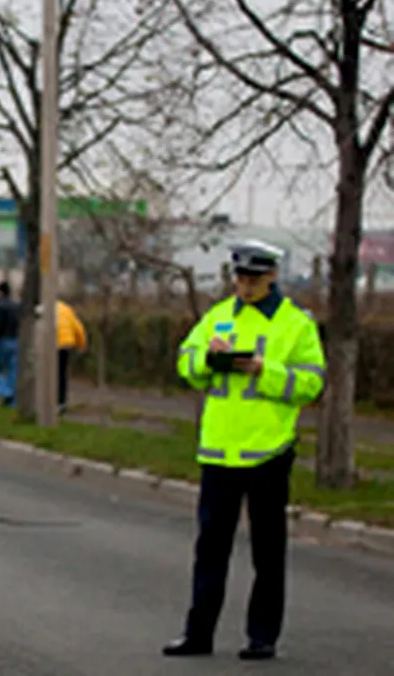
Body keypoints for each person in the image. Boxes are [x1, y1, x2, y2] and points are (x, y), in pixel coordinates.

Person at [162, 240, 325, 662]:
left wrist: (262, 370)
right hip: (218, 452)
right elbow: (185, 361)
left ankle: (262, 636)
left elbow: (310, 383)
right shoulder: (219, 317)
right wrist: (207, 361)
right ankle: (198, 634)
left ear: (272, 276)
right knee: (209, 549)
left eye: (253, 279)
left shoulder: (295, 324)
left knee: (267, 551)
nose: (245, 286)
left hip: (267, 451)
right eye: (240, 278)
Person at [55, 299, 87, 414]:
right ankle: (62, 402)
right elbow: (78, 329)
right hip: (66, 344)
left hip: (52, 344)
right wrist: (81, 345)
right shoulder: (67, 310)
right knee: (61, 373)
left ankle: (50, 401)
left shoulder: (44, 308)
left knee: (50, 374)